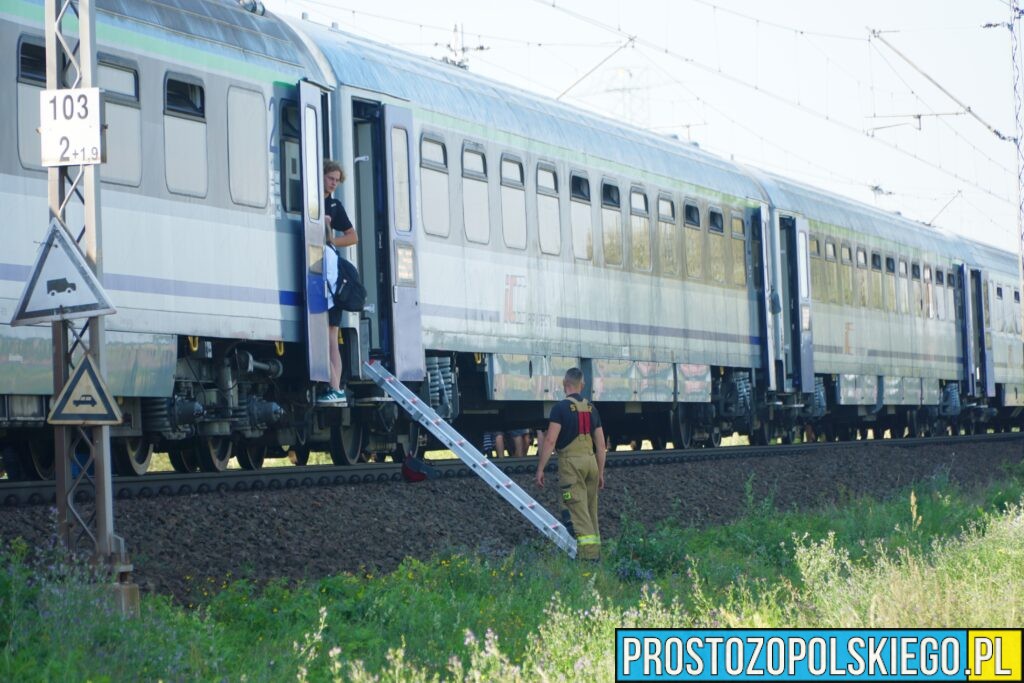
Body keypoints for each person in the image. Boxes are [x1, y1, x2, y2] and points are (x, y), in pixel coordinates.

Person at [534, 368, 606, 561]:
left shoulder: (559, 409)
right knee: (591, 512)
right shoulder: (592, 409)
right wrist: (600, 473)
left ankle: (589, 561)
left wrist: (541, 468)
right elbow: (600, 445)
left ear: (564, 384)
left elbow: (550, 441)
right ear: (581, 386)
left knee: (577, 513)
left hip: (571, 465)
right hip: (591, 462)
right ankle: (597, 555)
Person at [319, 160, 358, 405]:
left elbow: (352, 236)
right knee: (330, 335)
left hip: (329, 277)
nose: (333, 183)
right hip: (322, 272)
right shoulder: (314, 199)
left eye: (336, 180)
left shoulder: (334, 205)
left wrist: (332, 241)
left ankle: (335, 387)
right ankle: (336, 387)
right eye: (331, 178)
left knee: (330, 335)